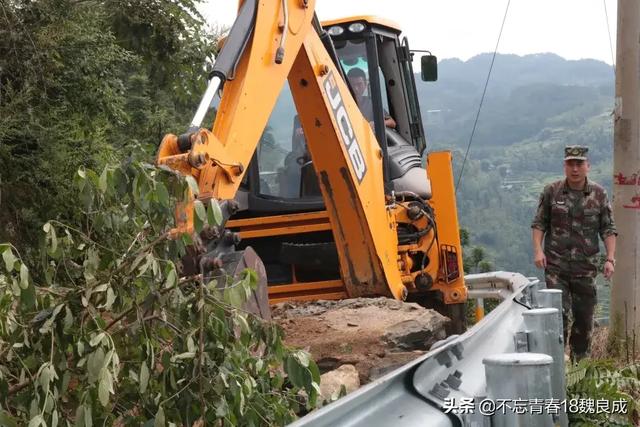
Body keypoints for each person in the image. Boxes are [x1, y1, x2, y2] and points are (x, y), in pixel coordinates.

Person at [531, 145, 617, 361]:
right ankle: (556, 363)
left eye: (579, 164)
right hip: (556, 267)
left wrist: (610, 259)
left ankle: (580, 369)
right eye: (571, 163)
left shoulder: (598, 194)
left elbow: (607, 228)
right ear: (564, 166)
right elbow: (539, 223)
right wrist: (538, 250)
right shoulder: (552, 191)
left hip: (585, 268)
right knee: (557, 317)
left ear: (588, 166)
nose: (575, 168)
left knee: (584, 319)